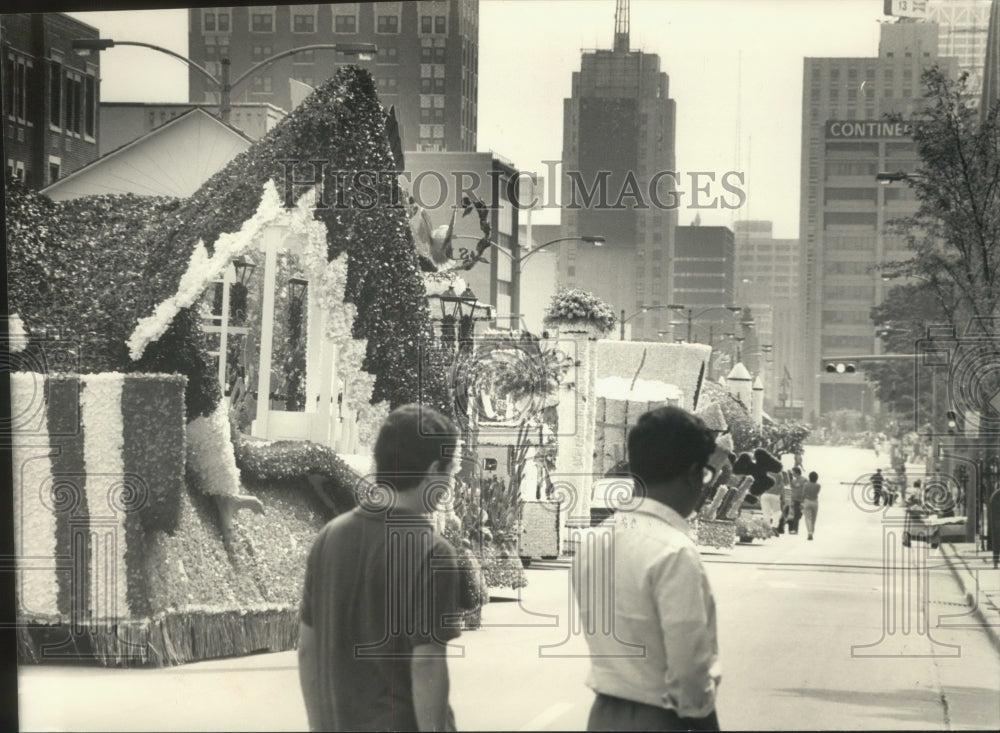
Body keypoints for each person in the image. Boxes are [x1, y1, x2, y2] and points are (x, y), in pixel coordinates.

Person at [298, 404, 464, 731]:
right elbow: (427, 661)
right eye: (450, 471)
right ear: (433, 471)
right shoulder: (432, 551)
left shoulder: (328, 539)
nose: (449, 484)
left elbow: (307, 649)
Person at [573, 406, 722, 731]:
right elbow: (688, 670)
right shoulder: (674, 552)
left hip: (603, 715)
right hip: (661, 719)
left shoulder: (595, 541)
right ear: (694, 473)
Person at [761, 470, 784, 537]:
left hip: (765, 494)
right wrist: (782, 496)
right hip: (775, 495)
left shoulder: (765, 472)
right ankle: (774, 527)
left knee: (766, 513)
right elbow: (781, 486)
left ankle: (767, 529)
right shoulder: (779, 473)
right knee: (777, 512)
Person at [802, 471, 821, 540]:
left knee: (808, 518)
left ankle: (809, 532)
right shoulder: (818, 485)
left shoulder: (805, 485)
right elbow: (817, 493)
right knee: (814, 518)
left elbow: (803, 493)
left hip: (807, 501)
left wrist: (801, 502)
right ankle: (812, 531)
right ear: (816, 478)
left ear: (809, 477)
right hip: (815, 502)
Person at [788, 467, 805, 534]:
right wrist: (791, 500)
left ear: (797, 472)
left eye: (793, 472)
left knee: (798, 515)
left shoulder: (804, 480)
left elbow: (805, 490)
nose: (793, 474)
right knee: (795, 515)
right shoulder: (793, 481)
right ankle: (794, 529)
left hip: (801, 500)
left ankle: (795, 529)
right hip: (794, 500)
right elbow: (792, 490)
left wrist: (803, 501)